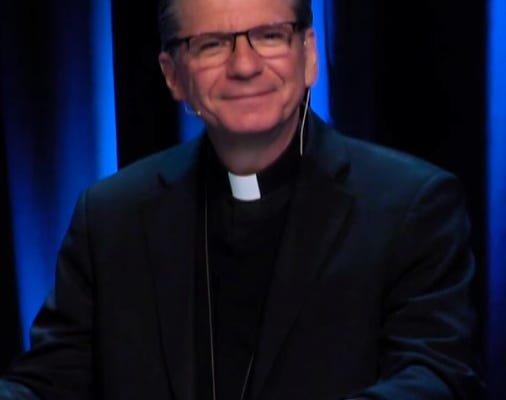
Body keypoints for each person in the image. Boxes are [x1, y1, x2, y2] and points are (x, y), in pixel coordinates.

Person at [0, 0, 484, 398]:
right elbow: (45, 385)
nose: (245, 66)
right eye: (211, 45)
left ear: (309, 54)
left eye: (270, 36)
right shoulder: (110, 215)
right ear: (173, 75)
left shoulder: (411, 204)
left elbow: (435, 379)